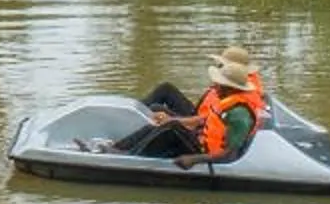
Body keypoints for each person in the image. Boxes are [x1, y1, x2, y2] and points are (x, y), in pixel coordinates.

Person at [90, 46, 264, 168]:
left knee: (171, 127)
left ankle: (126, 157)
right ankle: (119, 148)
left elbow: (229, 155)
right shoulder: (229, 101)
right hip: (202, 140)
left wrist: (193, 160)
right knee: (167, 123)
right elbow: (208, 122)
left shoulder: (239, 114)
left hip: (204, 150)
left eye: (219, 84)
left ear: (230, 88)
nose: (215, 86)